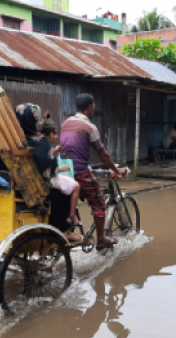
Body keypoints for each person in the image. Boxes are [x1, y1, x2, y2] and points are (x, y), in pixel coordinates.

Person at [59, 93, 129, 250]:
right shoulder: (90, 127)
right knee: (98, 203)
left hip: (65, 173)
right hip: (80, 172)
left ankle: (68, 230)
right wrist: (116, 169)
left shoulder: (65, 123)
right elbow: (103, 154)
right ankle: (101, 240)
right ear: (90, 108)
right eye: (94, 106)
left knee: (71, 201)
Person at [15, 103, 82, 242]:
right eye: (38, 119)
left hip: (20, 185)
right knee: (72, 188)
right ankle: (66, 229)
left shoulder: (16, 139)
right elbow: (50, 170)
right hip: (40, 186)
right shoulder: (40, 141)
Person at [41, 115, 82, 231]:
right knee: (75, 186)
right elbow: (47, 167)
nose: (56, 136)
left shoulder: (41, 146)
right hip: (49, 180)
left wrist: (55, 151)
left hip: (47, 179)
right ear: (47, 135)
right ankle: (72, 216)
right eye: (54, 133)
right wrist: (62, 169)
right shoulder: (45, 148)